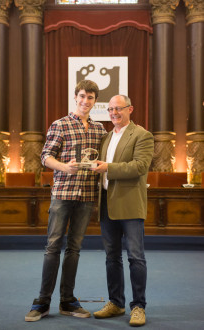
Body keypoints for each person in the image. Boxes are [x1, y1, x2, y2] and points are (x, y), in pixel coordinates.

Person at [25, 80, 106, 322]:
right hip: (62, 194)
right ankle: (42, 301)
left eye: (90, 97)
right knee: (52, 248)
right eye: (82, 96)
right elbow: (45, 156)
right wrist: (63, 167)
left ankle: (67, 301)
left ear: (94, 101)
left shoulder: (100, 130)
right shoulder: (59, 125)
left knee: (74, 249)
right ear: (75, 97)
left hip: (87, 197)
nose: (85, 101)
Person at [92, 95, 154, 327]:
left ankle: (138, 307)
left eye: (118, 108)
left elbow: (139, 167)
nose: (114, 113)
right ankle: (116, 303)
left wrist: (108, 167)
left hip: (130, 203)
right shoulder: (106, 138)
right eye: (110, 109)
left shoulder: (142, 135)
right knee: (111, 257)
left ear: (131, 109)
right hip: (107, 202)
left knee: (135, 257)